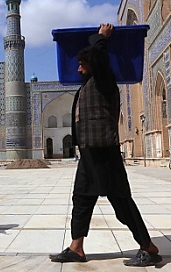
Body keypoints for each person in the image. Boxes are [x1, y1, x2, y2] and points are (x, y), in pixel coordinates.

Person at [49, 23, 162, 267]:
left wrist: (101, 38)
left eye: (83, 64)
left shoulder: (104, 80)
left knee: (120, 200)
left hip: (104, 151)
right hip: (89, 152)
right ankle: (76, 247)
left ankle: (148, 247)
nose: (78, 68)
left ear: (93, 65)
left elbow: (99, 59)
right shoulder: (88, 85)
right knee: (81, 198)